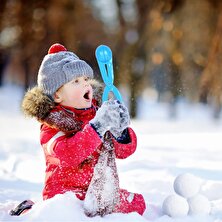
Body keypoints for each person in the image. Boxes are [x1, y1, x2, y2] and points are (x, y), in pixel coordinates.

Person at [20, 43, 146, 216]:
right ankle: (35, 210)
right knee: (73, 211)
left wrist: (121, 131)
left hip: (97, 191)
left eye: (86, 79)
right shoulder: (51, 126)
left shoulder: (97, 114)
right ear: (57, 95)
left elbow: (123, 152)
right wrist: (98, 127)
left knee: (137, 203)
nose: (85, 85)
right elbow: (69, 153)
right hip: (65, 194)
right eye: (76, 81)